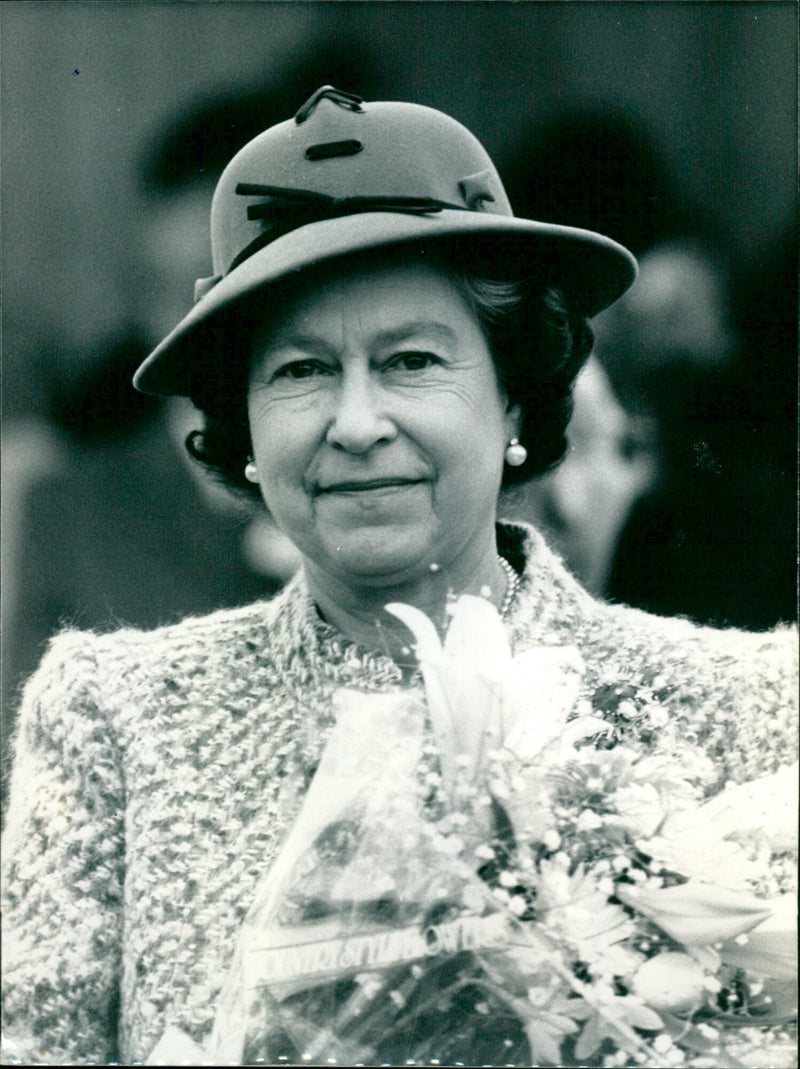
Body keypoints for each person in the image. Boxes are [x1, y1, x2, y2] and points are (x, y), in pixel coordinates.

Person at [2, 88, 796, 1067]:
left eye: (410, 359)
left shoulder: (746, 706)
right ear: (241, 429)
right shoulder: (111, 723)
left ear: (513, 398)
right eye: (298, 371)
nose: (355, 420)